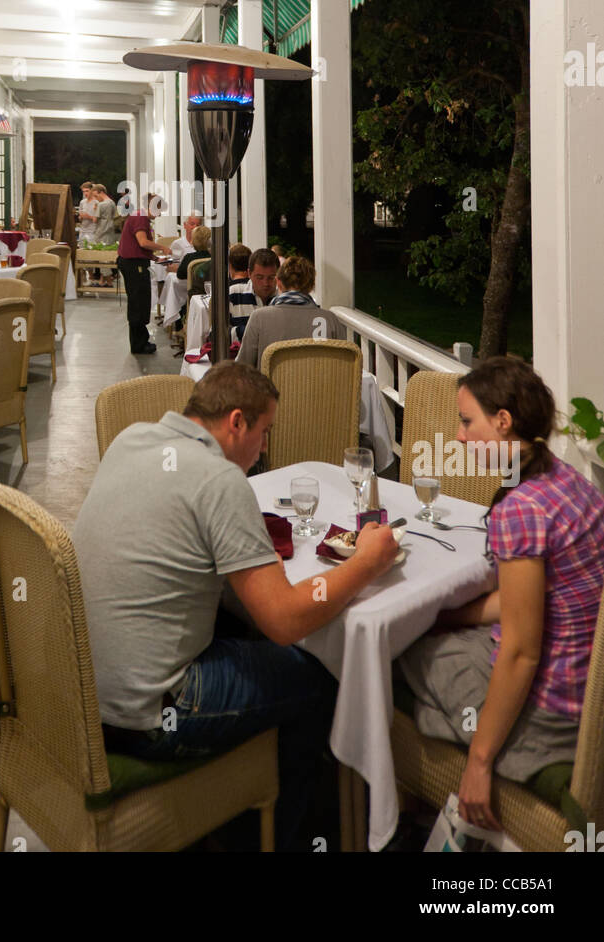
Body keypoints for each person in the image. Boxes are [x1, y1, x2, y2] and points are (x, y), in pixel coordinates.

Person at [73, 361, 399, 851]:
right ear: (237, 422)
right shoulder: (220, 481)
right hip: (154, 713)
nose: (264, 448)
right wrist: (367, 563)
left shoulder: (131, 439)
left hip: (83, 696)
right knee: (321, 676)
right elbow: (285, 620)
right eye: (264, 432)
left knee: (244, 632)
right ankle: (284, 835)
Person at [399, 356, 604, 830]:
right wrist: (453, 616)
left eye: (467, 422)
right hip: (584, 682)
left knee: (402, 650)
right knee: (440, 633)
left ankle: (411, 796)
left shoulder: (522, 509)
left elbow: (521, 652)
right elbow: (530, 603)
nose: (459, 437)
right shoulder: (570, 482)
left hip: (554, 708)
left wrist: (480, 763)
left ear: (503, 421)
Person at [236, 256, 343, 369]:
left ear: (278, 282)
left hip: (270, 386)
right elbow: (343, 365)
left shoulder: (259, 317)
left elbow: (243, 366)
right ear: (312, 285)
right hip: (320, 386)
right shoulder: (330, 320)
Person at [117, 193, 162, 354]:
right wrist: (163, 248)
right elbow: (143, 242)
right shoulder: (140, 218)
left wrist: (155, 257)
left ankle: (141, 340)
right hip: (133, 265)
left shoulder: (140, 217)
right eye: (159, 210)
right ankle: (138, 344)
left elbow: (140, 246)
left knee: (140, 301)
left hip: (135, 262)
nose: (160, 214)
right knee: (138, 302)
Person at [229, 247, 279, 342]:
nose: (266, 283)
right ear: (249, 274)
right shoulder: (233, 294)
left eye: (271, 277)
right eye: (259, 277)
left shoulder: (284, 299)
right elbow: (215, 336)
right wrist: (254, 330)